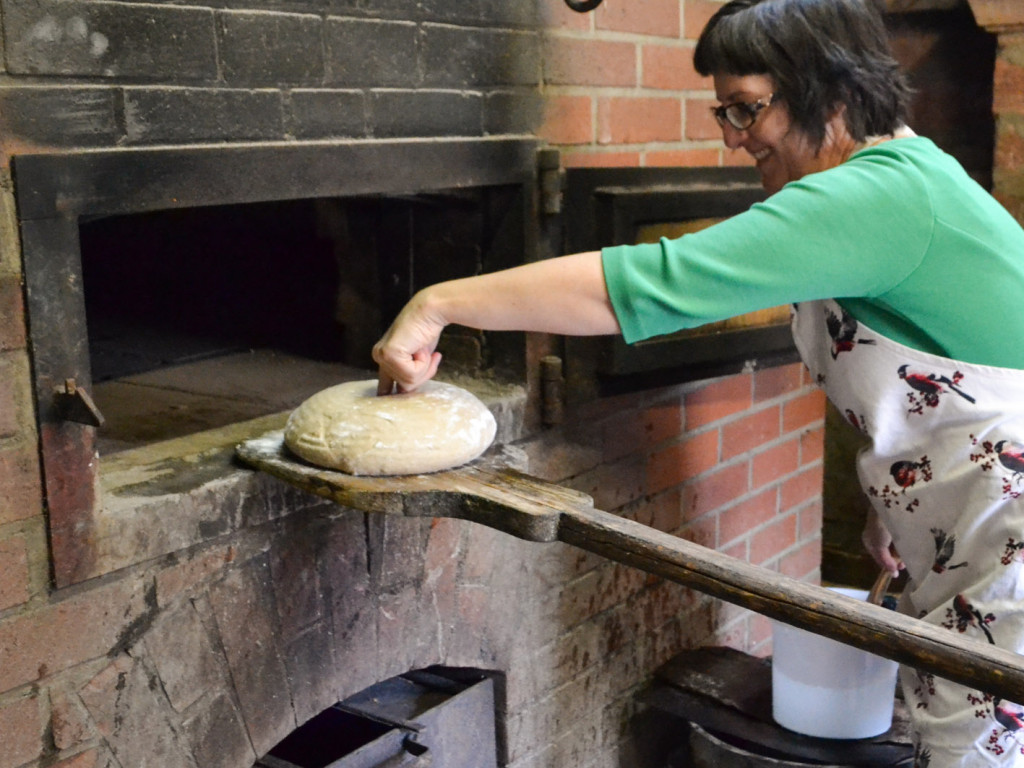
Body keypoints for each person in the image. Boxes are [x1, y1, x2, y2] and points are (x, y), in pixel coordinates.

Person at [373, 0, 1024, 764]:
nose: (730, 135)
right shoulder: (902, 179)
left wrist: (436, 304)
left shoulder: (878, 196)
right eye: (724, 110)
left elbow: (650, 283)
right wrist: (894, 503)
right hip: (971, 530)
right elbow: (949, 374)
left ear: (833, 92)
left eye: (747, 108)